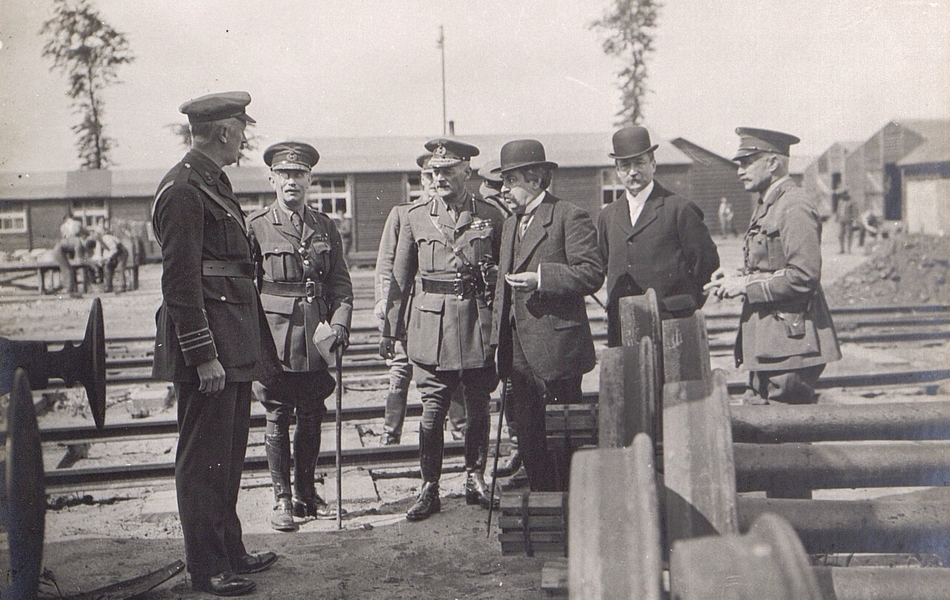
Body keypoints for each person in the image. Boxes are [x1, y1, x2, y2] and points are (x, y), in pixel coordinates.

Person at [150, 91, 280, 596]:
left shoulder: (210, 183)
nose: (245, 137)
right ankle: (206, 567)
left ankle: (231, 551)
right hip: (211, 349)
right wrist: (202, 354)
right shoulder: (185, 189)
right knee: (203, 460)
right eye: (241, 128)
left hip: (232, 342)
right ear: (224, 131)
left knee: (226, 454)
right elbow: (180, 283)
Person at [380, 138, 505, 521]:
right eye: (435, 171)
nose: (439, 178)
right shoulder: (415, 216)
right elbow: (400, 278)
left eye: (448, 170)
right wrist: (390, 330)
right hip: (430, 325)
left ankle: (474, 477)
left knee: (479, 405)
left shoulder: (491, 215)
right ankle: (429, 487)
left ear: (467, 171)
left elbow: (502, 276)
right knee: (432, 410)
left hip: (476, 323)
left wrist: (502, 327)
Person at [247, 142, 353, 532]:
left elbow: (340, 284)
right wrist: (253, 343)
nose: (292, 181)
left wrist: (340, 325)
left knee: (312, 414)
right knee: (277, 413)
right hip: (274, 337)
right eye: (284, 174)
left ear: (310, 179)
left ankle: (307, 494)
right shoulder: (256, 226)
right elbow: (247, 289)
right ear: (272, 179)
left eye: (299, 174)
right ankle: (282, 499)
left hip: (316, 336)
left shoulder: (325, 226)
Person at [489, 140, 604, 492]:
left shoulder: (569, 216)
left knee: (563, 438)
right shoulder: (511, 224)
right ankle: (545, 503)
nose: (504, 190)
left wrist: (541, 279)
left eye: (511, 182)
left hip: (557, 352)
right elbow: (501, 289)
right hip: (518, 352)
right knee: (529, 437)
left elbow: (591, 273)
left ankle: (572, 512)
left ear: (536, 180)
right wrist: (497, 343)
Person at [705, 127, 841, 405]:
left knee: (786, 431)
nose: (740, 171)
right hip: (771, 341)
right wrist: (736, 277)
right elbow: (770, 264)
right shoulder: (770, 203)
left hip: (790, 342)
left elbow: (803, 276)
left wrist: (744, 285)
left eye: (747, 162)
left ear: (773, 163)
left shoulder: (794, 205)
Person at [375, 153, 467, 446]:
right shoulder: (405, 214)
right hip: (408, 312)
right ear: (421, 179)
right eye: (427, 176)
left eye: (438, 174)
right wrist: (383, 304)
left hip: (436, 310)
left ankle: (459, 429)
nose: (433, 181)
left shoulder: (454, 214)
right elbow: (388, 266)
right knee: (400, 371)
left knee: (452, 371)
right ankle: (391, 433)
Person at [597, 126, 720, 346]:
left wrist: (681, 303)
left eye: (640, 163)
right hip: (623, 327)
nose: (632, 171)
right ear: (617, 170)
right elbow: (606, 263)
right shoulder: (608, 216)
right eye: (625, 165)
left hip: (672, 326)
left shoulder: (679, 209)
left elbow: (705, 264)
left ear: (653, 164)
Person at [52, 214, 93, 297]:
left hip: (65, 247)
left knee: (69, 267)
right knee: (74, 267)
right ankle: (75, 289)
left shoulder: (63, 226)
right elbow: (85, 232)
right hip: (70, 246)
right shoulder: (77, 224)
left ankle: (72, 287)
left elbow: (64, 236)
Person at [90, 224, 129, 293]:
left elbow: (114, 249)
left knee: (120, 268)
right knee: (106, 267)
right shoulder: (99, 241)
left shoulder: (106, 238)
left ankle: (122, 286)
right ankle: (108, 286)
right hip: (115, 254)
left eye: (95, 234)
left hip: (121, 253)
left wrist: (108, 259)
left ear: (99, 234)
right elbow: (99, 254)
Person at [834, 189, 857, 254]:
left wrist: (854, 219)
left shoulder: (851, 201)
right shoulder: (840, 201)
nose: (842, 196)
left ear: (846, 194)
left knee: (849, 234)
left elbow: (854, 211)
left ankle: (849, 249)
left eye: (843, 194)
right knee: (840, 234)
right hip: (841, 219)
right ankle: (842, 249)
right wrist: (837, 217)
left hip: (849, 220)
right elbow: (838, 210)